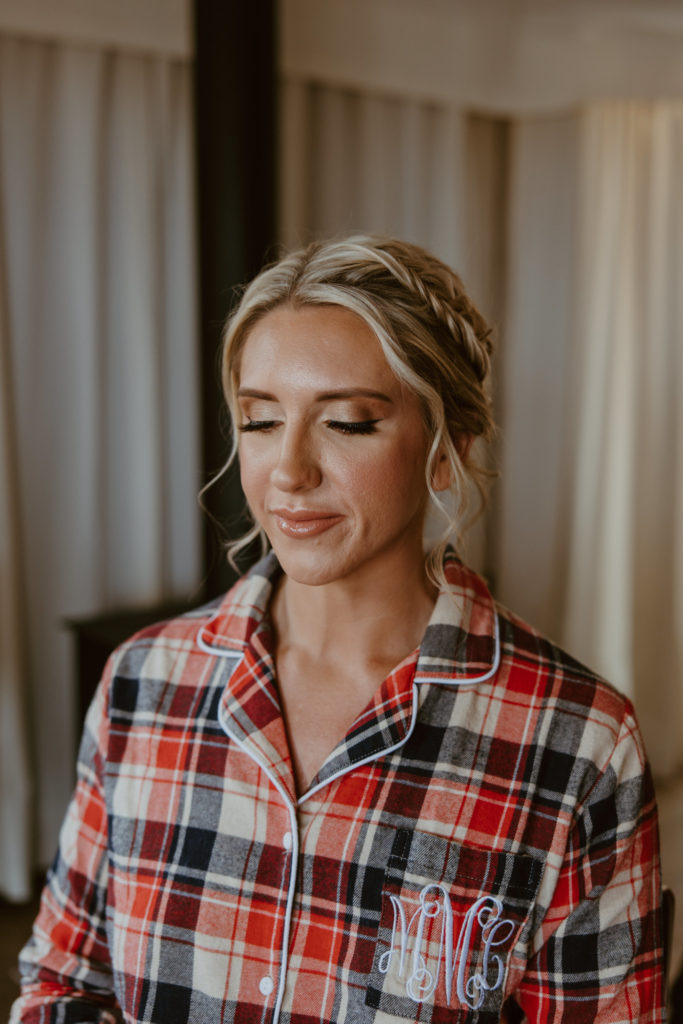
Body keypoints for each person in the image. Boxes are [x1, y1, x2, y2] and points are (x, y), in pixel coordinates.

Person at [12, 235, 664, 1023]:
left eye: (348, 423)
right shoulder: (143, 681)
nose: (288, 470)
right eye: (259, 421)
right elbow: (65, 981)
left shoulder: (582, 742)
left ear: (447, 445)